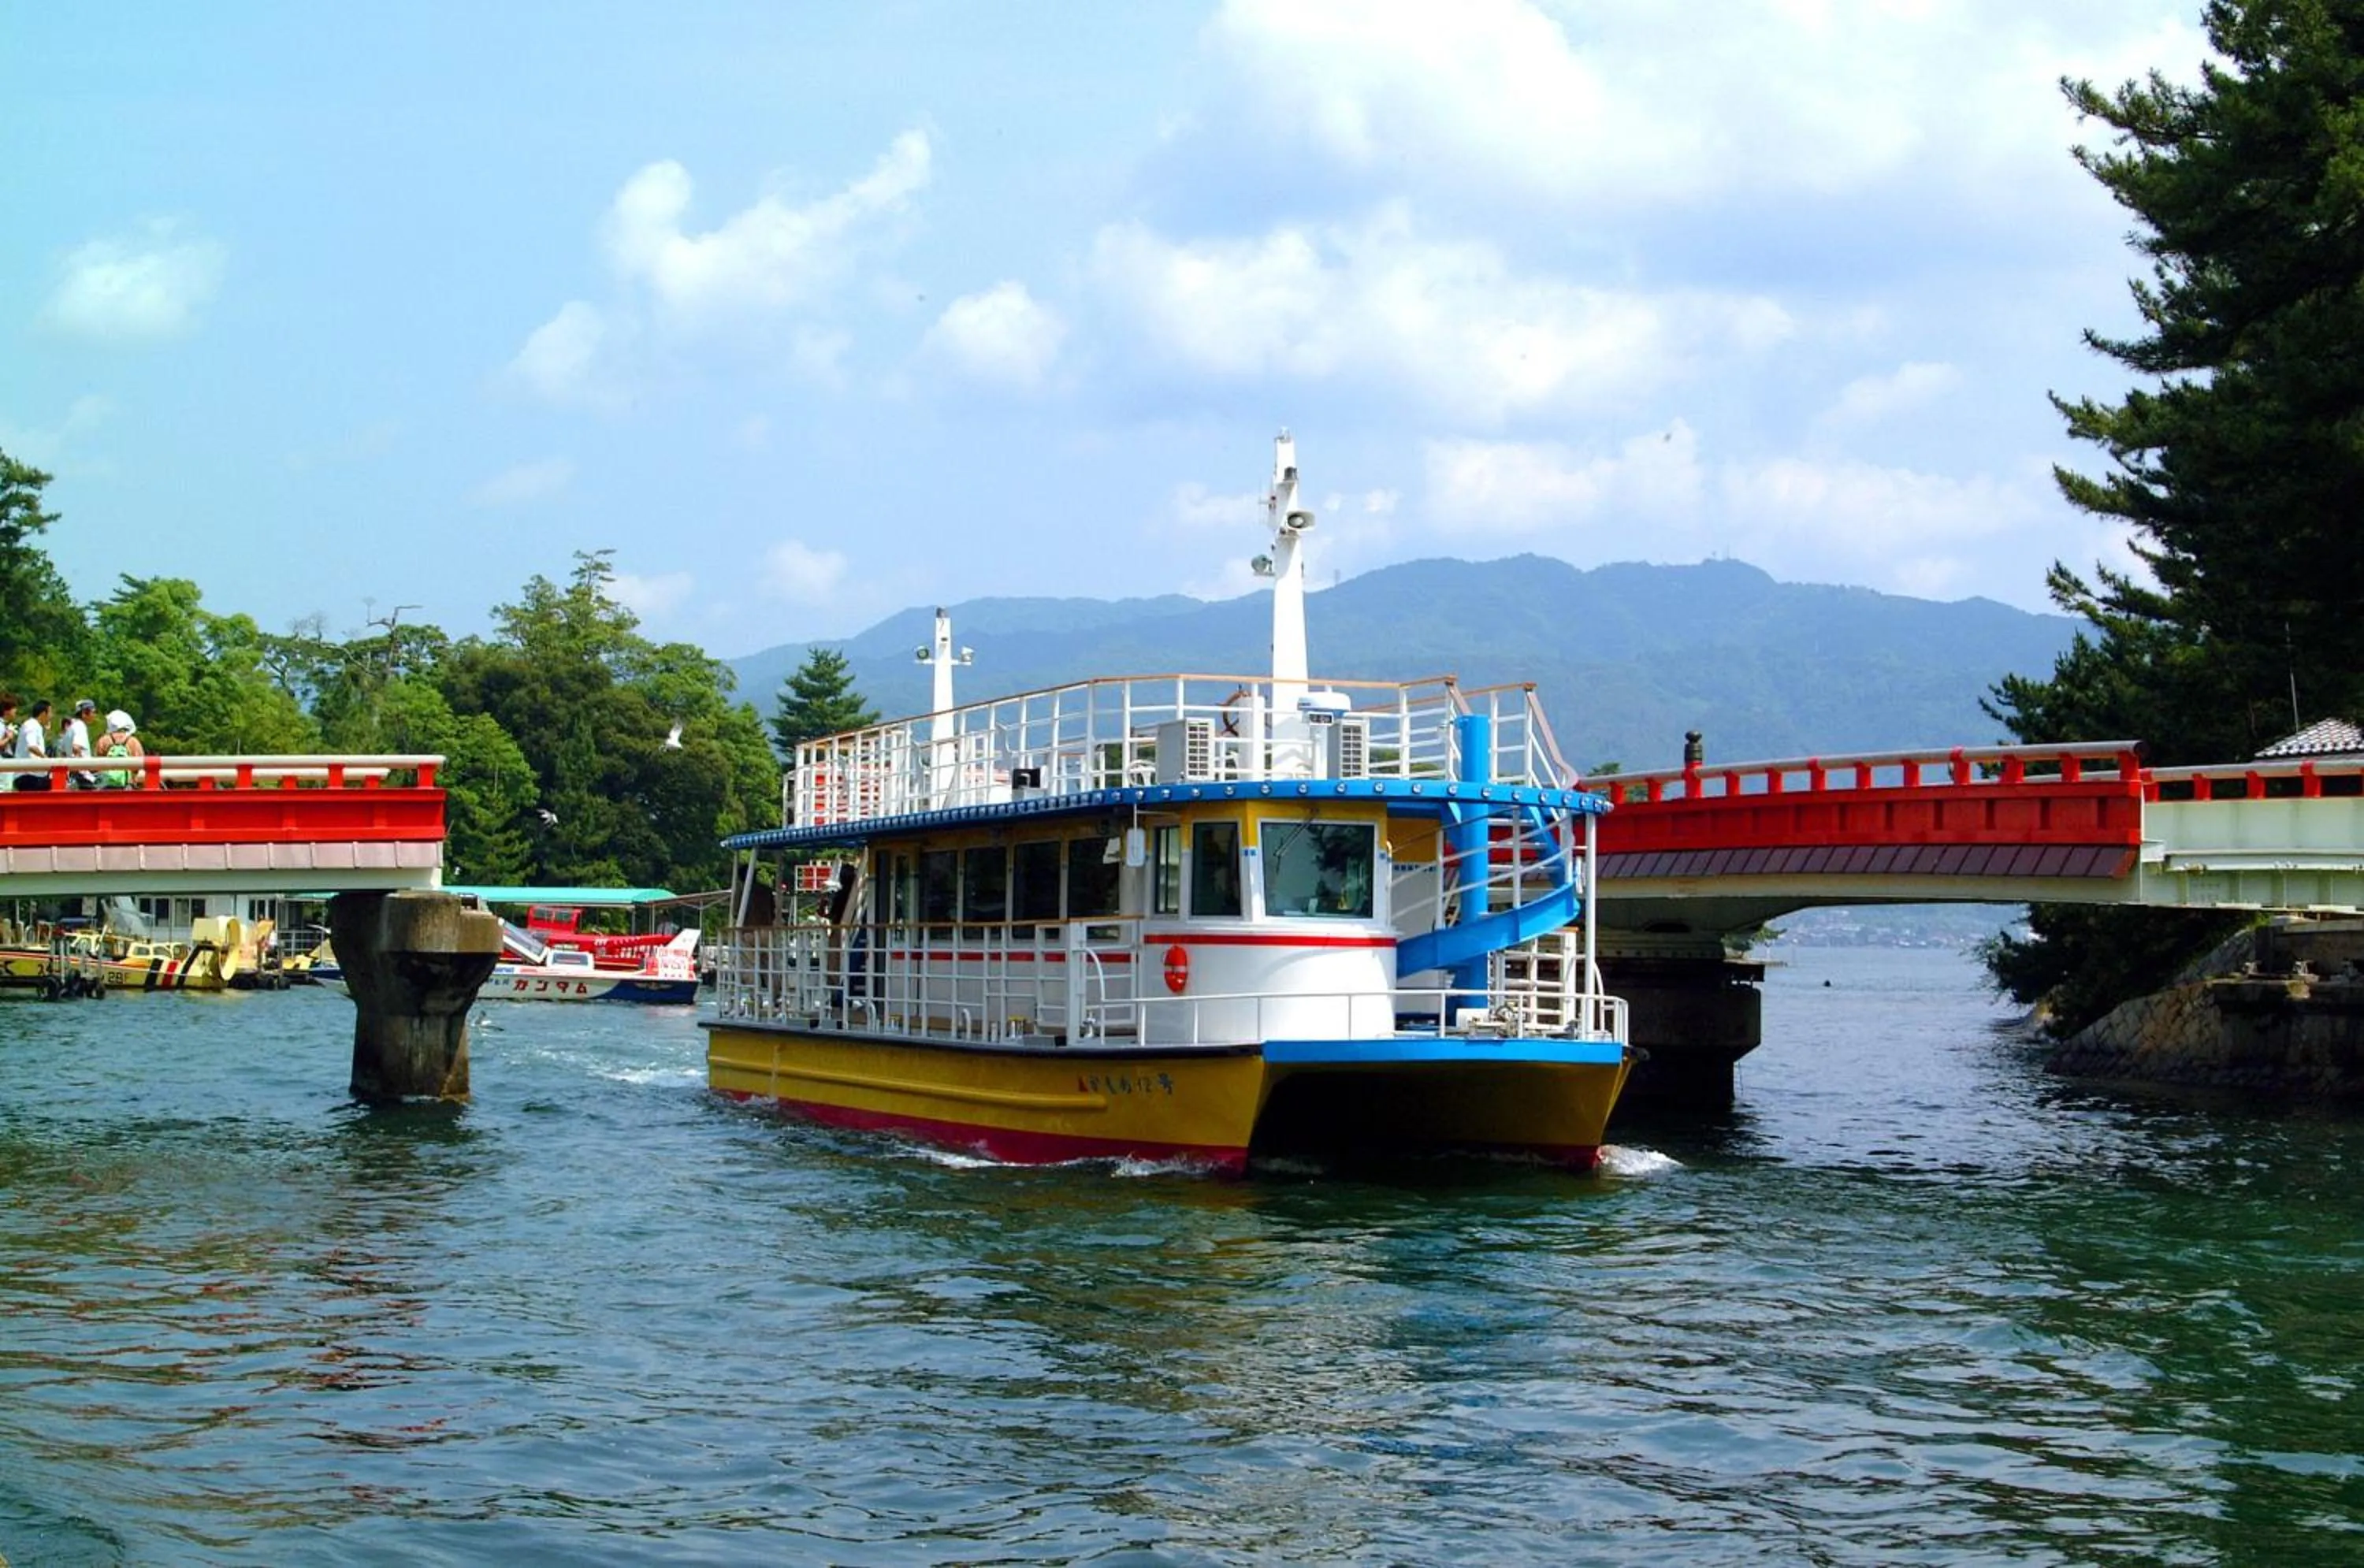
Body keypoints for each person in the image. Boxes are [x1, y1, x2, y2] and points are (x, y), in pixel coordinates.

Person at [98, 709, 145, 789]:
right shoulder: (133, 741)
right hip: (128, 785)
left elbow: (97, 764)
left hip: (106, 785)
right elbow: (141, 765)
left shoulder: (103, 740)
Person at [13, 700, 51, 790]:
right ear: (43, 714)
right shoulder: (32, 725)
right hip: (29, 776)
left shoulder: (34, 725)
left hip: (31, 775)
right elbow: (32, 746)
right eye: (50, 713)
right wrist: (47, 759)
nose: (51, 717)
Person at [63, 698, 98, 790]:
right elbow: (76, 747)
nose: (95, 715)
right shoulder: (80, 726)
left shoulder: (71, 728)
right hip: (81, 776)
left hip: (72, 775)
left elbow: (64, 752)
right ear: (84, 713)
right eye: (93, 712)